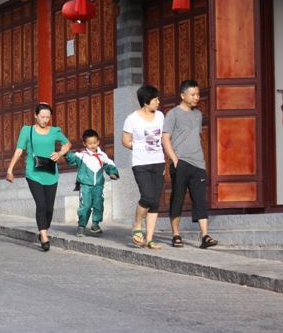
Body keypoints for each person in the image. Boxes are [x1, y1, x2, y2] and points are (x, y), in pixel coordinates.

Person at [5, 103, 72, 251]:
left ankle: (43, 230)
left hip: (51, 173)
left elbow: (67, 144)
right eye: (42, 117)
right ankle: (44, 237)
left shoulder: (55, 131)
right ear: (35, 115)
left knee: (49, 208)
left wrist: (59, 153)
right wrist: (10, 170)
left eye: (48, 117)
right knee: (41, 205)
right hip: (33, 173)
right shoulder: (27, 130)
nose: (45, 120)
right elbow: (19, 150)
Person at [162, 80, 218, 249]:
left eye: (198, 94)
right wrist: (175, 160)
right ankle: (176, 234)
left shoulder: (198, 115)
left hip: (198, 163)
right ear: (182, 95)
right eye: (193, 94)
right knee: (178, 197)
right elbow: (165, 138)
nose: (196, 98)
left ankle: (205, 236)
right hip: (181, 162)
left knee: (200, 199)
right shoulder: (173, 114)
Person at [122, 85, 166, 249]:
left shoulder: (161, 116)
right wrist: (140, 147)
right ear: (146, 102)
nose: (158, 102)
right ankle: (137, 224)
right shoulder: (132, 119)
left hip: (158, 161)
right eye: (155, 99)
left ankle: (149, 239)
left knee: (154, 201)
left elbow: (165, 137)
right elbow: (125, 141)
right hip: (140, 163)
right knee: (147, 196)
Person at [65, 129, 119, 237]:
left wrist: (113, 173)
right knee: (86, 205)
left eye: (94, 143)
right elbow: (71, 159)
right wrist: (65, 152)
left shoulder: (102, 155)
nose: (92, 145)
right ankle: (81, 226)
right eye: (89, 143)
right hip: (85, 185)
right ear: (85, 143)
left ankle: (95, 224)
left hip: (98, 185)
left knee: (98, 203)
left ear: (98, 142)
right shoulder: (82, 156)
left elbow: (109, 165)